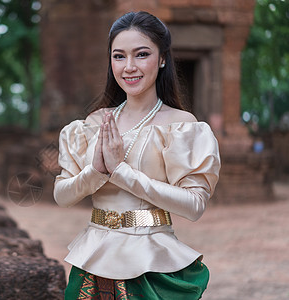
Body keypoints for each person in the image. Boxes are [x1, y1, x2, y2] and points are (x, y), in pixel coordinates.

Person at [53, 11, 221, 300]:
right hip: (94, 258)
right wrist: (96, 172)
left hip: (152, 263)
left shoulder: (181, 126)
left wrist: (121, 172)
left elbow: (195, 206)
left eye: (141, 54)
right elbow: (62, 195)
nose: (129, 67)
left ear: (163, 58)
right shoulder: (90, 125)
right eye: (119, 56)